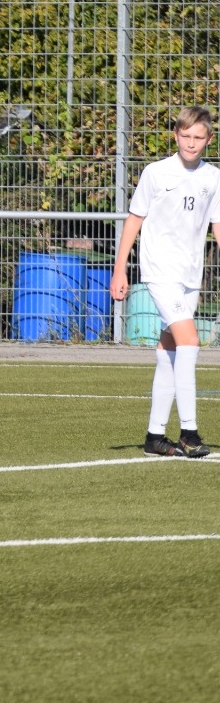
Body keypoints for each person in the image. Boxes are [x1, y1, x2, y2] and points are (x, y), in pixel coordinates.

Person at [110, 106, 220, 458]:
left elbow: (217, 225)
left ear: (209, 139)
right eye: (185, 136)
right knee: (190, 341)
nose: (191, 143)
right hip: (160, 271)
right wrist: (119, 269)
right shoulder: (156, 173)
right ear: (175, 135)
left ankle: (154, 437)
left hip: (190, 275)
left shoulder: (213, 178)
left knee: (169, 350)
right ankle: (189, 433)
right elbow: (134, 219)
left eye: (198, 137)